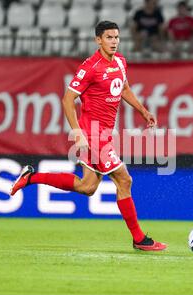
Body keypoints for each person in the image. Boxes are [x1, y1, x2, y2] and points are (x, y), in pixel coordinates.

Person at [10, 21, 167, 252]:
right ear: (98, 40)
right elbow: (67, 99)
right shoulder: (90, 67)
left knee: (88, 186)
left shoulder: (121, 62)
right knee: (124, 180)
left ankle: (31, 177)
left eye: (116, 37)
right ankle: (139, 239)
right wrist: (78, 133)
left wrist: (143, 112)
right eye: (109, 38)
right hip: (92, 133)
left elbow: (123, 89)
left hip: (105, 133)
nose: (114, 41)